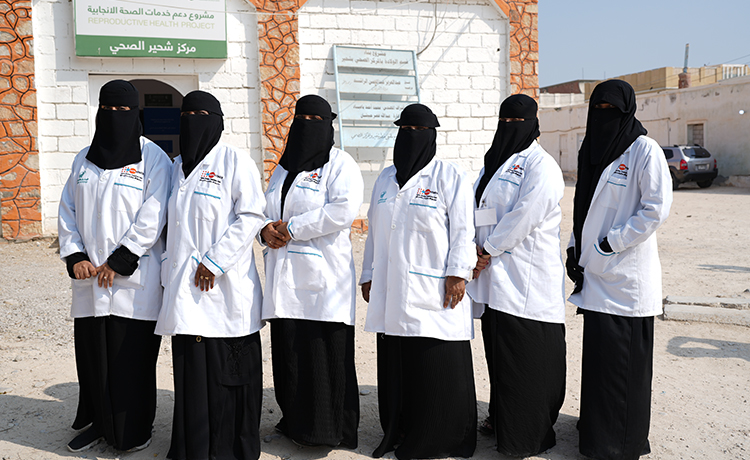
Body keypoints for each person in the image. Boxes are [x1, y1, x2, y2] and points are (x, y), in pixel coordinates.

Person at [57, 80, 171, 452]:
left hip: (132, 278)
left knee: (130, 360)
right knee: (94, 358)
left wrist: (123, 257)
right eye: (109, 109)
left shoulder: (153, 158)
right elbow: (67, 211)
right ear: (99, 111)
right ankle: (99, 425)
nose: (116, 117)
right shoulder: (83, 159)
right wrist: (75, 256)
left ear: (136, 113)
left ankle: (134, 430)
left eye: (124, 111)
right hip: (90, 278)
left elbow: (155, 211)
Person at [154, 91, 267, 460]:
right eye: (187, 113)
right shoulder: (175, 166)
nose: (193, 120)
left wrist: (215, 262)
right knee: (191, 367)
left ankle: (230, 447)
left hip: (225, 284)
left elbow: (251, 216)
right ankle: (193, 447)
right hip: (185, 285)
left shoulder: (235, 161)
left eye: (202, 113)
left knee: (227, 370)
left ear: (218, 121)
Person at [360, 104, 477, 460]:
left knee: (434, 366)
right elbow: (373, 232)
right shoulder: (385, 178)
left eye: (418, 130)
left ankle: (439, 439)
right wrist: (368, 273)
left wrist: (458, 273)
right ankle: (400, 430)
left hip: (436, 288)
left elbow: (463, 230)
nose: (410, 136)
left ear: (432, 136)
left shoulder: (449, 176)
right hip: (391, 286)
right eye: (404, 129)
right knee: (400, 364)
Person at [567, 79, 672, 460]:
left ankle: (621, 443)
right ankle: (595, 434)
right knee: (599, 366)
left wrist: (613, 242)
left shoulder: (644, 151)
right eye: (598, 108)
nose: (603, 116)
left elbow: (656, 208)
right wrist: (574, 247)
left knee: (623, 370)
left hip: (627, 278)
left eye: (612, 109)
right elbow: (583, 206)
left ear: (628, 110)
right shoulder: (590, 149)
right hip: (596, 276)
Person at [260, 94, 363, 448]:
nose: (308, 127)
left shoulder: (339, 164)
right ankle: (294, 423)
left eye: (316, 120)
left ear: (328, 125)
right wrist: (266, 229)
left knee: (324, 356)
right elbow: (266, 207)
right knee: (290, 354)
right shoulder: (283, 168)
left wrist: (293, 228)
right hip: (284, 280)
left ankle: (329, 430)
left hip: (324, 282)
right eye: (301, 119)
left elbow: (343, 210)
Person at [467, 94, 566, 457]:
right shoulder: (493, 163)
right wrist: (475, 250)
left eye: (517, 122)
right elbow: (479, 206)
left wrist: (487, 249)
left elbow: (526, 214)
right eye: (504, 121)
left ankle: (527, 433)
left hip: (525, 277)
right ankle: (501, 417)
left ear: (533, 125)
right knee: (500, 354)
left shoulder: (541, 165)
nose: (509, 128)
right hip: (491, 276)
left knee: (527, 357)